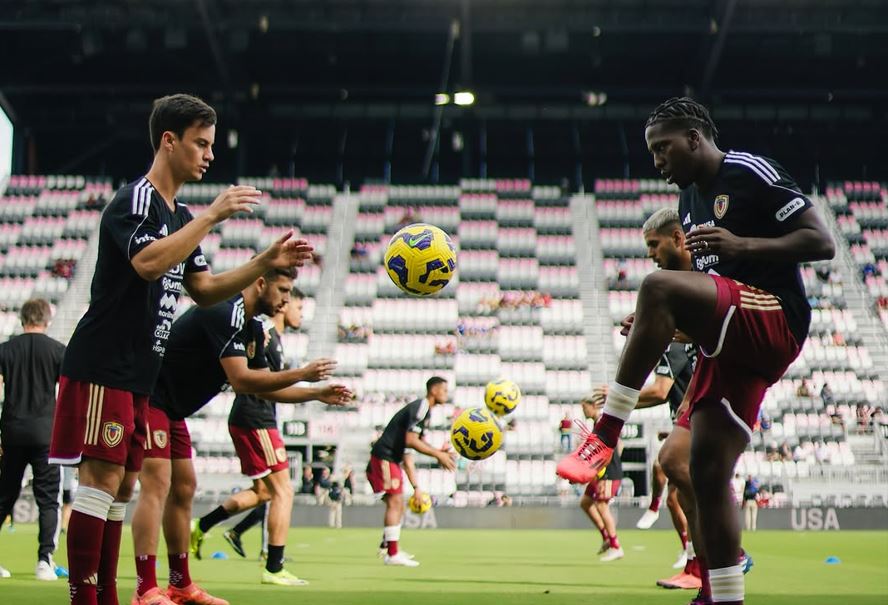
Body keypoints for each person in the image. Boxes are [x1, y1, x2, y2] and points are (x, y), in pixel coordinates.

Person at [557, 97, 835, 605]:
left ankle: (606, 432)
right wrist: (662, 323)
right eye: (652, 152)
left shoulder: (748, 170)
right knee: (701, 471)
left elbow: (822, 242)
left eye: (663, 148)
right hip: (731, 343)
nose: (657, 161)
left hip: (776, 317)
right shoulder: (689, 200)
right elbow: (708, 287)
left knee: (659, 287)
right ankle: (721, 595)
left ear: (694, 137)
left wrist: (742, 248)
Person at [47, 93, 313, 605]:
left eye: (211, 145)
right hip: (105, 364)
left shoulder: (181, 214)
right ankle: (86, 598)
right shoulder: (138, 200)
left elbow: (207, 289)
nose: (209, 155)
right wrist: (211, 217)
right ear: (169, 141)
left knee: (123, 489)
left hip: (139, 374)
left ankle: (106, 595)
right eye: (201, 144)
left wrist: (263, 261)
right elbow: (147, 265)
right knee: (100, 484)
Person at [130, 267, 350, 601]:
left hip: (172, 409)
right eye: (283, 290)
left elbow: (264, 387)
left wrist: (315, 392)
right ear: (260, 283)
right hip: (149, 399)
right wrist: (304, 374)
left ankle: (180, 584)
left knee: (185, 487)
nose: (285, 301)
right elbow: (243, 381)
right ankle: (145, 589)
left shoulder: (249, 326)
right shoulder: (225, 311)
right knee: (157, 485)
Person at [197, 289, 310, 561]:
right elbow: (260, 383)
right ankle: (274, 563)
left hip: (253, 417)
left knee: (264, 491)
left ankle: (201, 525)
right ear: (284, 305)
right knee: (283, 489)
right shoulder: (265, 333)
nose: (301, 313)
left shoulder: (273, 337)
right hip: (256, 417)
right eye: (299, 306)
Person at [0, 299, 66, 580]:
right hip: (45, 435)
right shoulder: (57, 351)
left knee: (3, 497)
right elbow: (68, 395)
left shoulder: (5, 350)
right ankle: (44, 561)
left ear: (22, 318)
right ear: (47, 320)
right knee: (49, 499)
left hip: (12, 432)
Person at [366, 377, 456, 567]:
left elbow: (408, 450)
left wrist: (416, 486)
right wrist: (437, 454)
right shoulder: (422, 407)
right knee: (395, 501)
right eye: (444, 390)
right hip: (385, 457)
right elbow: (410, 440)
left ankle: (389, 546)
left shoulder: (425, 412)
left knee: (397, 503)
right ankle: (391, 553)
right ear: (434, 390)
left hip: (392, 458)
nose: (446, 394)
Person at [577, 393, 625, 562]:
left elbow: (616, 444)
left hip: (608, 473)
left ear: (593, 406)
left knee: (602, 506)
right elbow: (620, 444)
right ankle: (606, 537)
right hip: (600, 473)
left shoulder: (603, 423)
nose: (583, 411)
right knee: (585, 502)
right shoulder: (597, 424)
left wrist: (608, 465)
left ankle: (615, 546)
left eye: (584, 407)